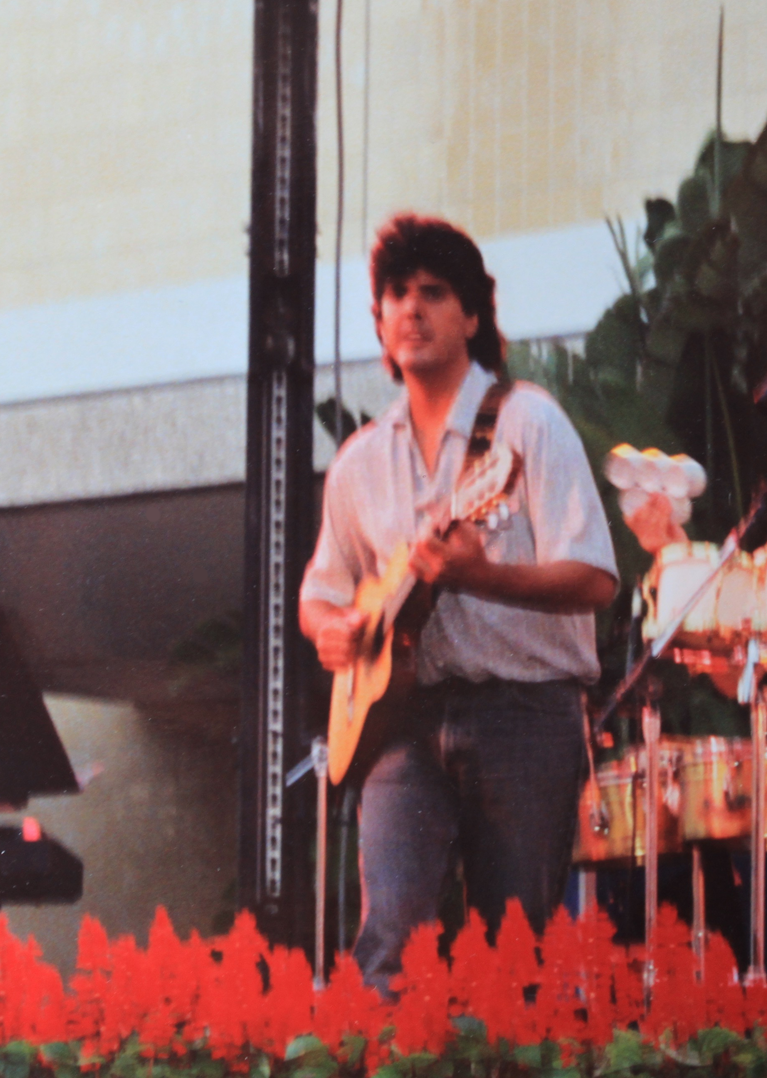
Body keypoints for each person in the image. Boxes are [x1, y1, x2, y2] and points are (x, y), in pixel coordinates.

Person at [298, 214, 618, 994]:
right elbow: (321, 593)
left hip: (525, 713)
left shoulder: (527, 423)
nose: (412, 307)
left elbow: (595, 577)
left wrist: (483, 577)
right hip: (400, 720)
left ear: (472, 315)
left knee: (514, 962)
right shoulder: (360, 461)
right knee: (387, 949)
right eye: (396, 294)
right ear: (380, 319)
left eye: (434, 292)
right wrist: (335, 630)